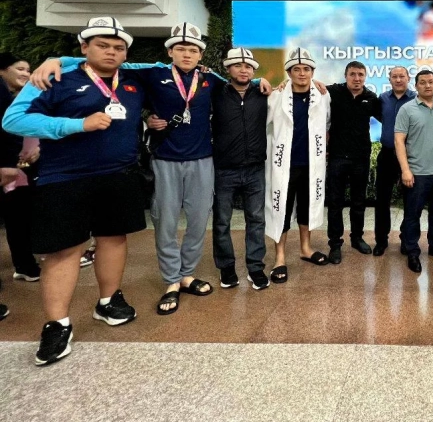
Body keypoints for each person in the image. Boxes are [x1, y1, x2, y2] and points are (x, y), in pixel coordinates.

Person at [30, 22, 272, 316]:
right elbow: (108, 64)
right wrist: (57, 60)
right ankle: (171, 280)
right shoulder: (152, 73)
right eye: (181, 48)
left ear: (200, 55)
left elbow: (240, 80)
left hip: (203, 159)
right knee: (166, 222)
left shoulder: (210, 80)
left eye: (193, 50)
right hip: (165, 158)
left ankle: (187, 274)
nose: (187, 54)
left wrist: (260, 80)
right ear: (170, 51)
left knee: (198, 222)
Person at [3, 17, 146, 365]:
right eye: (102, 45)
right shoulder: (52, 78)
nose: (111, 52)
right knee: (64, 251)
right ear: (84, 47)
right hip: (65, 178)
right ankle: (57, 324)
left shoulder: (131, 77)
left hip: (119, 175)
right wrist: (76, 124)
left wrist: (60, 57)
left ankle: (108, 301)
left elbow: (162, 66)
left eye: (118, 47)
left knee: (113, 238)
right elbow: (13, 120)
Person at [265, 48, 331, 283]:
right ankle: (280, 258)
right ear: (289, 73)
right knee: (281, 209)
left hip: (311, 164)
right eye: (296, 69)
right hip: (284, 164)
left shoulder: (322, 96)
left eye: (306, 69)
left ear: (313, 72)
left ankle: (305, 248)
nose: (302, 73)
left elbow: (327, 124)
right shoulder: (276, 97)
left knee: (307, 206)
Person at [211, 48, 269, 290]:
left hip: (255, 168)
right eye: (238, 65)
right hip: (224, 169)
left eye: (248, 67)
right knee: (221, 222)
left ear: (254, 71)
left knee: (256, 220)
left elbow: (293, 86)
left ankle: (255, 268)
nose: (244, 70)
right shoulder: (216, 93)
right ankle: (226, 268)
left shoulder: (263, 93)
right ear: (228, 69)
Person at [395, 69, 433, 273]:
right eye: (423, 82)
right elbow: (399, 140)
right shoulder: (407, 109)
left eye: (431, 82)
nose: (427, 85)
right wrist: (405, 170)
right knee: (412, 215)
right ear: (416, 86)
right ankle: (412, 250)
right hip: (417, 173)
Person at [325, 61, 379, 263]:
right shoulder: (333, 92)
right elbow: (310, 86)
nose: (357, 78)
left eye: (360, 75)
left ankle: (357, 238)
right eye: (353, 74)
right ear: (346, 76)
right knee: (335, 203)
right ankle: (335, 244)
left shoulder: (371, 98)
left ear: (365, 77)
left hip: (360, 158)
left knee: (358, 202)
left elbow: (390, 118)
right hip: (337, 157)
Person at [0, 53, 41, 283]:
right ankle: (25, 264)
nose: (26, 73)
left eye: (28, 69)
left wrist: (38, 150)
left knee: (20, 217)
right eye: (20, 69)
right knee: (17, 217)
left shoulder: (21, 99)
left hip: (22, 169)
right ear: (2, 70)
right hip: (10, 169)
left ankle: (25, 264)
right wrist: (8, 164)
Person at [372, 66, 416, 256]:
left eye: (402, 76)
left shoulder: (416, 98)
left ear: (408, 78)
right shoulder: (382, 99)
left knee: (410, 200)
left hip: (410, 156)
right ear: (389, 79)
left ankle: (407, 239)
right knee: (382, 199)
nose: (398, 80)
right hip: (387, 154)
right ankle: (381, 240)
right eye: (395, 77)